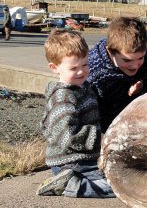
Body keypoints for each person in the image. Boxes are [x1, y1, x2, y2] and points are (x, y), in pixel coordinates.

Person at [38, 29, 115, 198]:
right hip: (71, 161)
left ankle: (75, 181)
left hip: (86, 157)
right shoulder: (63, 97)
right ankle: (69, 185)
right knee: (119, 185)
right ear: (54, 67)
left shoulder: (83, 88)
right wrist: (98, 137)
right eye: (74, 68)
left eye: (85, 65)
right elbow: (67, 135)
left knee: (123, 174)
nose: (81, 71)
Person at [87, 16, 147, 133]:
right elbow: (89, 115)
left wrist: (144, 88)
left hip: (138, 127)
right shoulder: (92, 72)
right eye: (127, 60)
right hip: (104, 131)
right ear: (111, 52)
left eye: (140, 58)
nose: (135, 65)